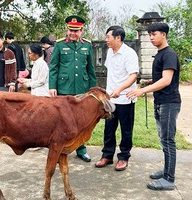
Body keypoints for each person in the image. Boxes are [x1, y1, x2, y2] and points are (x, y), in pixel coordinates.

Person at [126, 22, 181, 190]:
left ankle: (169, 179)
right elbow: (161, 78)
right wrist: (150, 82)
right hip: (161, 102)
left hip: (169, 103)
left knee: (168, 140)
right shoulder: (160, 54)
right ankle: (166, 171)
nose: (151, 37)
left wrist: (142, 91)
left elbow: (167, 80)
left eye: (154, 34)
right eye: (149, 34)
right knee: (164, 140)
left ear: (163, 35)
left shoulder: (169, 54)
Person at [49, 15, 96, 162]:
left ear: (81, 31)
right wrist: (52, 86)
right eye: (70, 30)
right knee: (62, 121)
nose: (73, 33)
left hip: (82, 89)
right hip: (64, 88)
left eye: (76, 31)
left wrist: (92, 89)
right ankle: (60, 149)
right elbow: (54, 67)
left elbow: (91, 69)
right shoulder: (60, 45)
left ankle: (81, 149)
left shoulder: (87, 45)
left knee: (81, 121)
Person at [94, 26, 139, 171]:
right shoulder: (109, 52)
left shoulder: (129, 53)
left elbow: (133, 75)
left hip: (126, 99)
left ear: (118, 38)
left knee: (126, 130)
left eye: (108, 37)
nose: (106, 40)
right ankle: (107, 155)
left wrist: (119, 89)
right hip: (110, 100)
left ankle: (124, 157)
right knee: (109, 129)